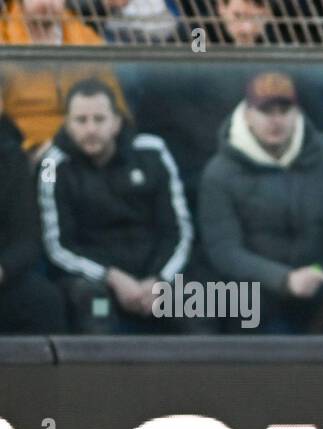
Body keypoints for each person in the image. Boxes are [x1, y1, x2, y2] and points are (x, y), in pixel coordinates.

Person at [199, 72, 323, 333]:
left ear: (297, 112)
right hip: (256, 288)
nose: (276, 120)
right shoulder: (218, 172)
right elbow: (224, 251)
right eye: (266, 111)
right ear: (248, 114)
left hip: (322, 277)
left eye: (284, 110)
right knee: (234, 302)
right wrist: (284, 280)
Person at [39, 78, 191, 333]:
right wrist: (112, 278)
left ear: (117, 122)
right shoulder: (52, 166)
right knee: (95, 306)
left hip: (157, 275)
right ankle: (104, 374)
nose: (90, 129)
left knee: (204, 301)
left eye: (99, 119)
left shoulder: (153, 151)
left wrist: (160, 280)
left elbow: (178, 231)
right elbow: (57, 246)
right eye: (81, 120)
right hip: (96, 280)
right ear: (67, 123)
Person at [0, 0, 128, 155]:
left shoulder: (86, 39)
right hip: (22, 152)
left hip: (80, 151)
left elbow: (116, 107)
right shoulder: (4, 37)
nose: (48, 4)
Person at [0, 91, 64, 333]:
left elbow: (27, 237)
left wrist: (3, 269)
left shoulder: (11, 158)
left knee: (44, 301)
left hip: (3, 275)